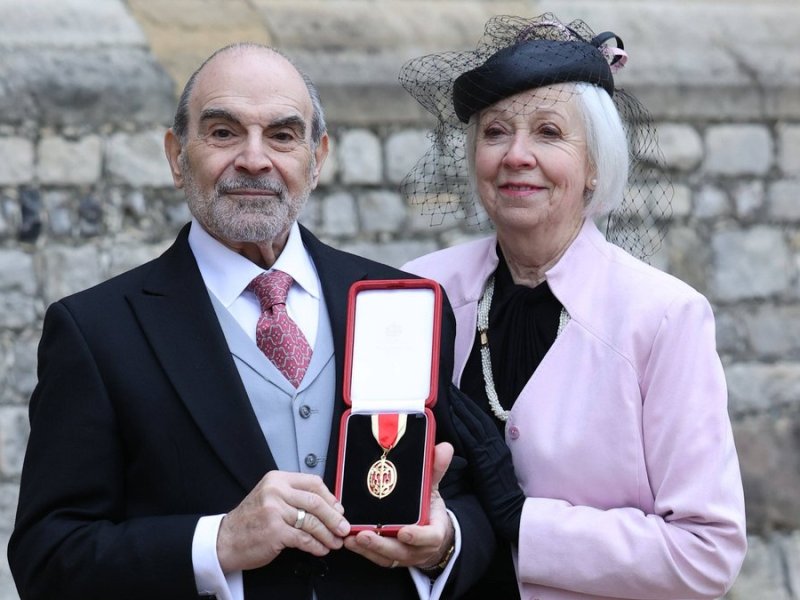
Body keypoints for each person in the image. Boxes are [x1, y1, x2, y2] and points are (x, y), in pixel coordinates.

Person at [8, 43, 495, 600]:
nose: (255, 159)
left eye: (283, 136)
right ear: (176, 155)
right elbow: (48, 558)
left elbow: (463, 495)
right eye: (222, 132)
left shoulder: (405, 302)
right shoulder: (96, 331)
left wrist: (443, 542)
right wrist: (216, 542)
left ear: (318, 158)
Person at [400, 13, 748, 600]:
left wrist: (522, 520)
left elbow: (706, 553)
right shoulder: (415, 291)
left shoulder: (663, 317)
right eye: (496, 132)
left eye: (549, 133)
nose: (516, 155)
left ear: (594, 167)